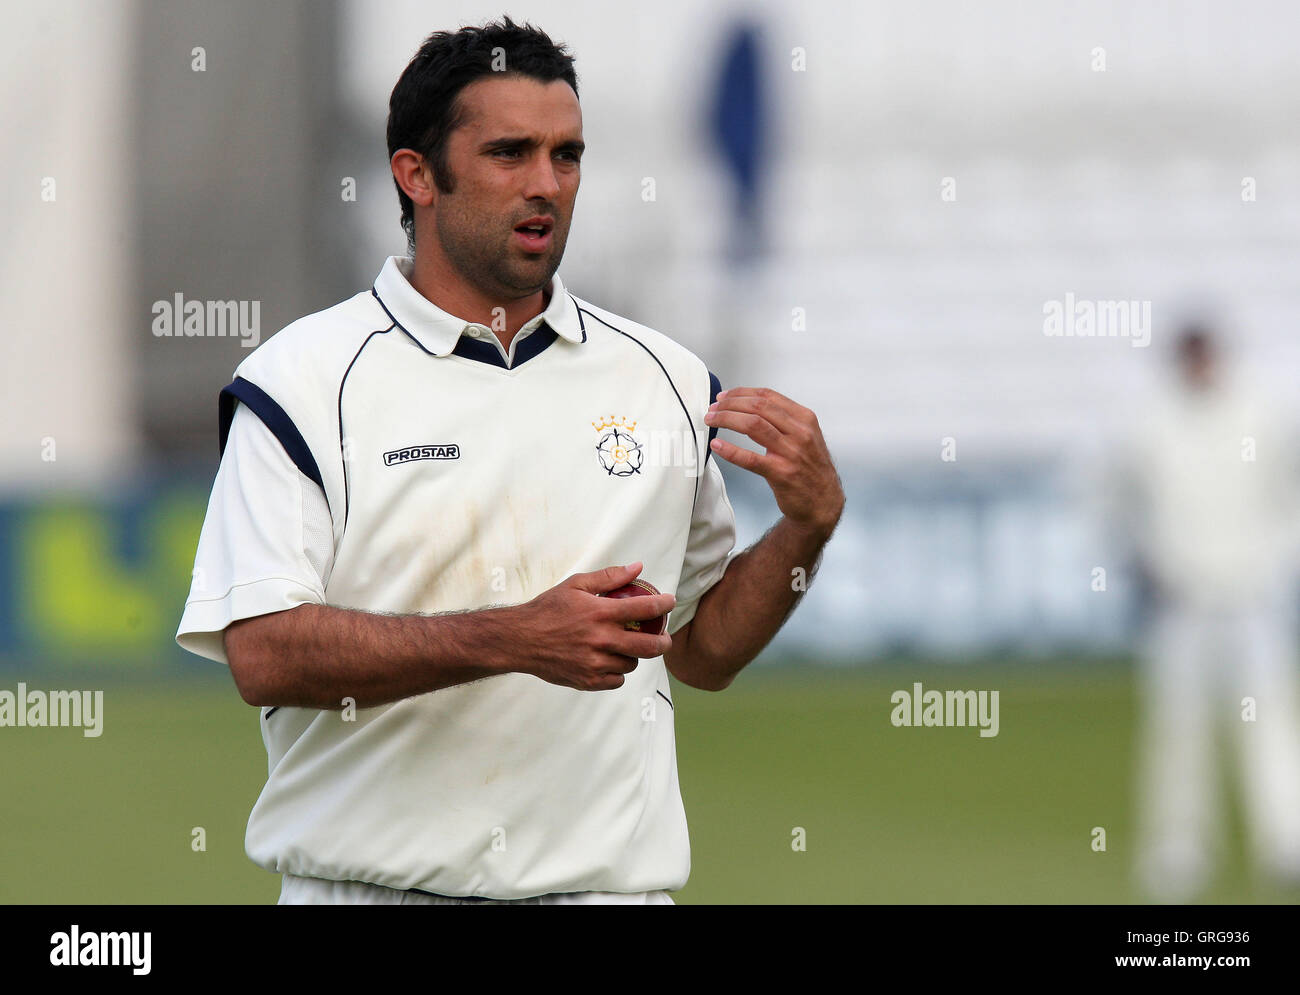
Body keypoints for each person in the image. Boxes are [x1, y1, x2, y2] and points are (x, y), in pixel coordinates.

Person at [175, 17, 844, 905]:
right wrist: (511, 636)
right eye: (509, 152)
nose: (547, 184)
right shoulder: (300, 382)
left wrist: (807, 525)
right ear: (416, 174)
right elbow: (263, 649)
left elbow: (702, 647)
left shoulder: (665, 380)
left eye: (566, 155)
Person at [1112, 325, 1300, 901]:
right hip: (1183, 602)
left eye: (1203, 356)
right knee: (1180, 727)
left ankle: (1285, 841)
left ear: (1217, 356)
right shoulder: (1150, 424)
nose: (1198, 367)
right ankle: (1178, 849)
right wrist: (1151, 562)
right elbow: (1123, 506)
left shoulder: (1260, 415)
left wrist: (1275, 565)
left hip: (1251, 597)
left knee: (1268, 720)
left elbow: (1288, 496)